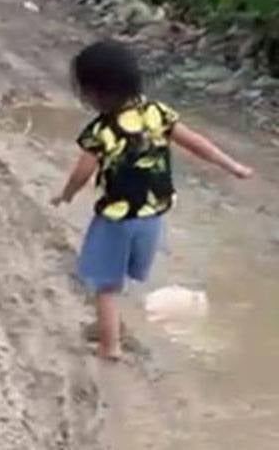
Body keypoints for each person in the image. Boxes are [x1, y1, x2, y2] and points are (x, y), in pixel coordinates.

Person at [52, 40, 251, 360]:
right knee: (119, 277)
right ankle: (109, 327)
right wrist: (233, 166)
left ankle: (109, 346)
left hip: (116, 220)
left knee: (105, 286)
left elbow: (82, 173)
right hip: (152, 218)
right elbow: (195, 143)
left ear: (93, 92)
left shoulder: (101, 130)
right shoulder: (157, 113)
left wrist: (66, 195)